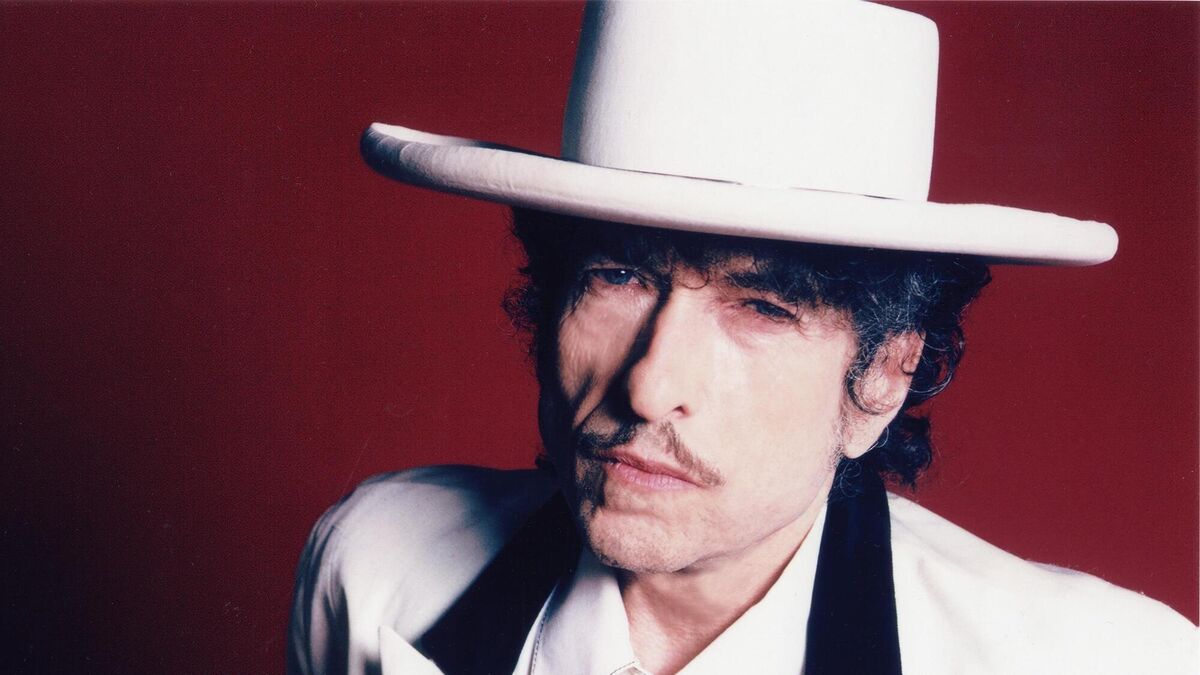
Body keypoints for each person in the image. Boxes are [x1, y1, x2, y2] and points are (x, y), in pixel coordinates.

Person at [288, 3, 1197, 674]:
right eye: (618, 274)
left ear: (884, 373)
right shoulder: (376, 564)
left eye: (761, 308)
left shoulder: (1099, 662)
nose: (649, 386)